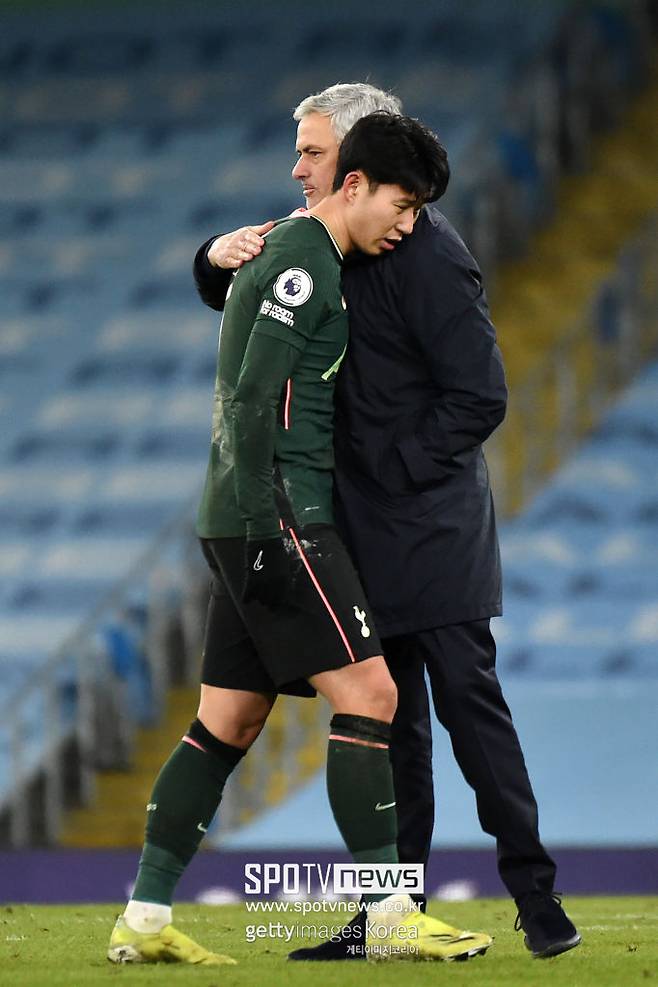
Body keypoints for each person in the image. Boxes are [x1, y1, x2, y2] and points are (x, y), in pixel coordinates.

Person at [194, 82, 581, 962]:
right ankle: (389, 912)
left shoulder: (430, 256)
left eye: (312, 152)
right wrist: (211, 258)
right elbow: (243, 292)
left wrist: (386, 469)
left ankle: (537, 897)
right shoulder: (317, 237)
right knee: (389, 726)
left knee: (470, 713)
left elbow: (479, 396)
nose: (299, 169)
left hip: (434, 531)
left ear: (356, 163)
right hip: (356, 530)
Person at [107, 111, 493, 967]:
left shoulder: (306, 251)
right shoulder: (303, 262)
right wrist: (264, 531)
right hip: (278, 514)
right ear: (355, 186)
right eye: (401, 204)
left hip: (242, 514)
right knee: (373, 694)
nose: (408, 224)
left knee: (228, 719)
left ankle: (144, 917)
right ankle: (388, 912)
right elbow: (251, 399)